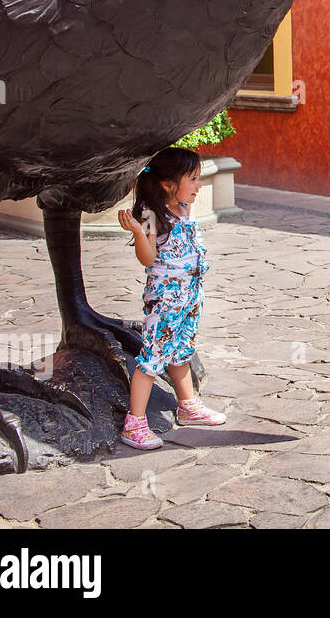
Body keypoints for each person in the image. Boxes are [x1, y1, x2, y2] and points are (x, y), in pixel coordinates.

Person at [116, 146, 227, 450]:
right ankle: (135, 423)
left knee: (181, 350)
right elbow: (148, 259)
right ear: (167, 183)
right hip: (165, 300)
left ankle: (188, 406)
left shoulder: (183, 209)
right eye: (192, 179)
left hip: (189, 297)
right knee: (152, 356)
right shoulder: (151, 214)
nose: (198, 185)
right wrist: (139, 233)